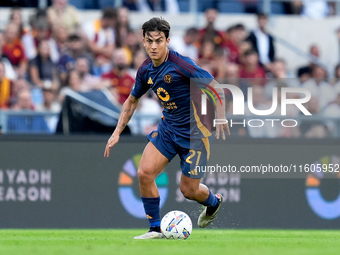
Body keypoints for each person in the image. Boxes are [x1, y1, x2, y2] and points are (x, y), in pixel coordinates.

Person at [104, 17, 229, 239]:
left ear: (167, 41)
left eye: (158, 41)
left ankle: (213, 202)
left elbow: (213, 85)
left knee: (189, 191)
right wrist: (116, 132)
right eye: (149, 41)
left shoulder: (182, 64)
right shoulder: (145, 71)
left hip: (195, 135)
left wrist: (220, 117)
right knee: (144, 173)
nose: (154, 46)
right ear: (143, 42)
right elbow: (132, 101)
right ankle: (155, 229)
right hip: (168, 131)